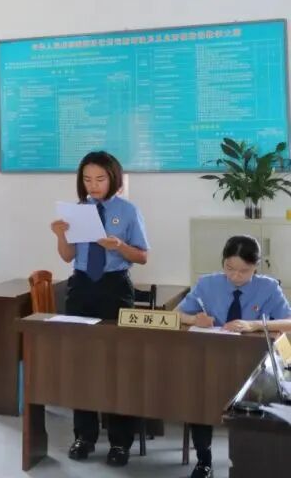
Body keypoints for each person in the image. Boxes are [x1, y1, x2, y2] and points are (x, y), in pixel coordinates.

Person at [50, 151, 149, 467]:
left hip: (114, 288)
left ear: (113, 179)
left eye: (100, 179)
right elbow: (68, 256)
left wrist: (120, 246)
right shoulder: (78, 211)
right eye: (87, 179)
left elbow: (142, 256)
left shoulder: (128, 211)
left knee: (119, 365)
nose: (93, 185)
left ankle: (120, 442)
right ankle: (84, 435)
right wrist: (60, 235)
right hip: (81, 288)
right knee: (82, 364)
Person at [177, 235, 291, 478]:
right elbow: (177, 315)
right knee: (200, 397)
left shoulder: (268, 287)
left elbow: (289, 322)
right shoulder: (207, 284)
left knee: (255, 405)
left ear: (256, 266)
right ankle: (204, 460)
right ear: (223, 263)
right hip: (211, 360)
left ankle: (250, 463)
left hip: (252, 366)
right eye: (230, 268)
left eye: (244, 271)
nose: (236, 276)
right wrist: (194, 319)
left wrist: (254, 325)